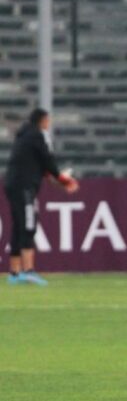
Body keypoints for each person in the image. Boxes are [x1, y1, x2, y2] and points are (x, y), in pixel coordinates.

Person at [3, 108, 79, 286]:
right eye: (48, 120)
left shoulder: (23, 136)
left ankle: (14, 273)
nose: (49, 123)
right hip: (24, 186)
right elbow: (48, 161)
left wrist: (59, 181)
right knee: (29, 225)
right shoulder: (37, 136)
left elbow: (41, 167)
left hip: (13, 184)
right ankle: (28, 271)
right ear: (42, 120)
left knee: (18, 225)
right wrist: (63, 179)